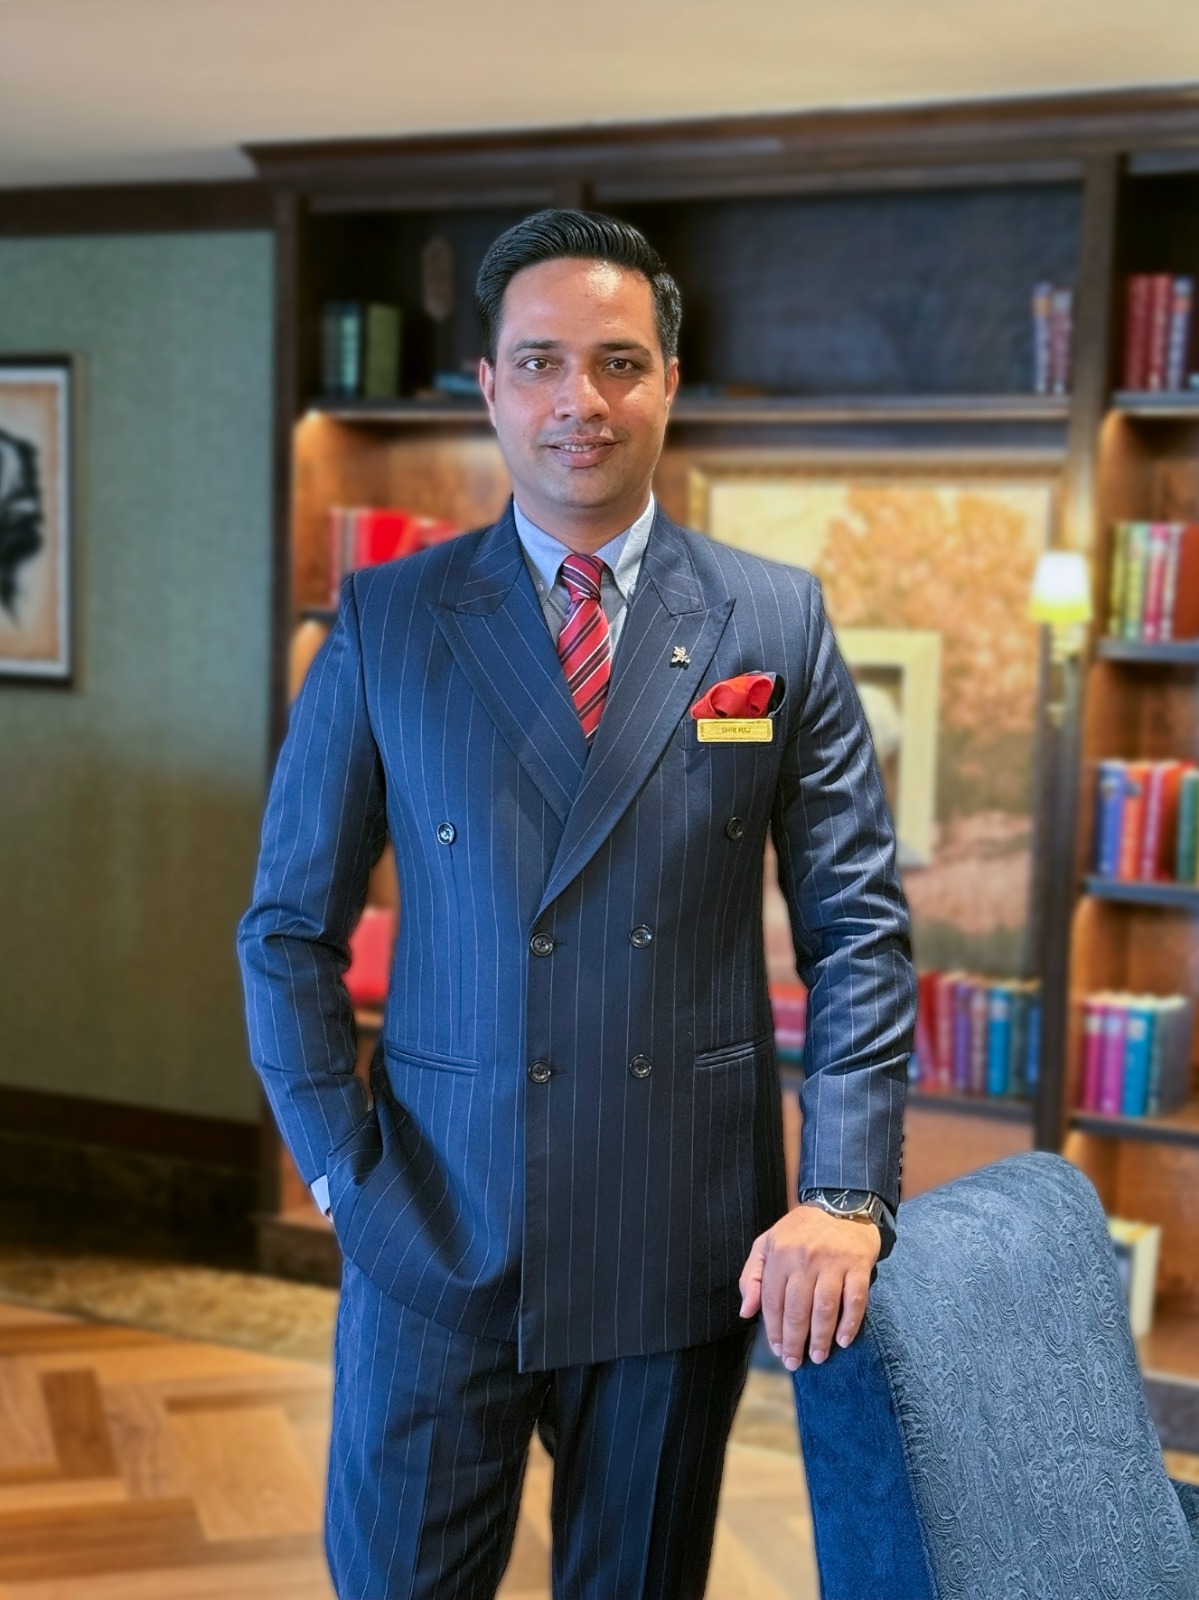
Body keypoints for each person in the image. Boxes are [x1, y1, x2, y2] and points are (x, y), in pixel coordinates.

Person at [238, 209, 916, 1600]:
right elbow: (288, 932)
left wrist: (845, 1188)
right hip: (432, 1224)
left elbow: (858, 926)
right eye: (540, 363)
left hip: (678, 1236)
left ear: (669, 382)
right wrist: (341, 1178)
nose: (579, 401)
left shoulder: (773, 621)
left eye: (617, 362)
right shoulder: (387, 621)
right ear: (489, 387)